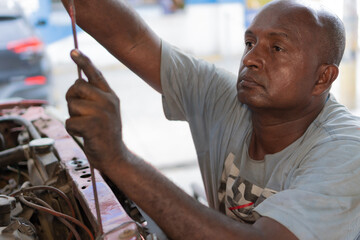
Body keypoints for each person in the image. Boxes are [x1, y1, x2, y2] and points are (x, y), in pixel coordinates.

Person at [62, 0, 360, 239]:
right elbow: (134, 40)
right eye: (249, 43)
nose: (249, 59)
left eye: (277, 48)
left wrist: (119, 160)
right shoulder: (226, 98)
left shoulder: (346, 152)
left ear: (323, 78)